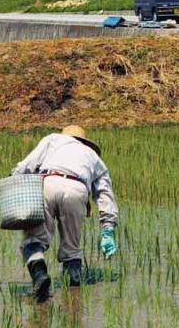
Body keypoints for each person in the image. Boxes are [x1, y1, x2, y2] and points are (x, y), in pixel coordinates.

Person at [11, 125, 118, 301]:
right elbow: (104, 193)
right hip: (77, 189)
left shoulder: (53, 139)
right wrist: (108, 228)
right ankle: (73, 299)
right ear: (85, 142)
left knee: (34, 241)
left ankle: (40, 276)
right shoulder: (94, 157)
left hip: (47, 183)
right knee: (72, 249)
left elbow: (28, 164)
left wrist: (13, 177)